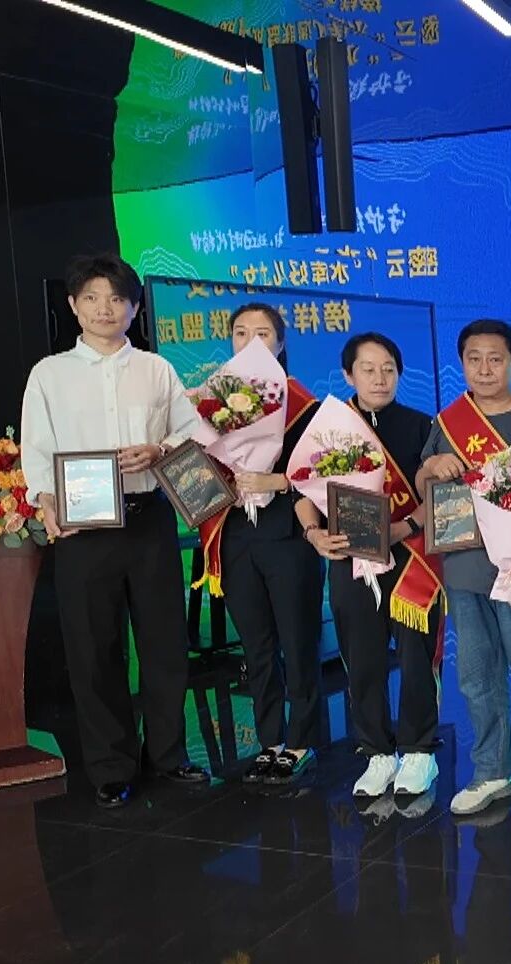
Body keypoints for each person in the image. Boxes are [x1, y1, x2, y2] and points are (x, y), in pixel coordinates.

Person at [19, 252, 208, 807]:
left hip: (149, 517)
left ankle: (168, 755)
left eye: (118, 298)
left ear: (134, 308)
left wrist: (160, 449)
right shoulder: (49, 373)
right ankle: (110, 766)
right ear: (73, 305)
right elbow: (37, 449)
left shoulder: (156, 369)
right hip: (85, 525)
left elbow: (192, 429)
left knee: (164, 642)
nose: (106, 308)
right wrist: (44, 501)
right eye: (93, 298)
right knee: (93, 648)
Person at [417, 319, 511, 819]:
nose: (484, 369)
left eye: (496, 359)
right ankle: (491, 772)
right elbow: (423, 487)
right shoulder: (447, 423)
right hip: (465, 569)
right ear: (462, 363)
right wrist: (430, 469)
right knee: (477, 678)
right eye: (474, 359)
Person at [295, 332, 441, 799]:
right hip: (349, 558)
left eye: (389, 369)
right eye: (368, 369)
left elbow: (439, 497)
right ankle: (377, 751)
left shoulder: (423, 425)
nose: (380, 378)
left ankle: (419, 751)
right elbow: (303, 490)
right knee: (362, 657)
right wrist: (314, 534)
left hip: (411, 556)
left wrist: (404, 527)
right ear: (348, 375)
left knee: (416, 655)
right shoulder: (329, 428)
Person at [196, 303, 325, 787]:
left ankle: (301, 740)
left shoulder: (302, 403)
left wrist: (276, 479)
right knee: (257, 645)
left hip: (288, 535)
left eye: (263, 333)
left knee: (298, 639)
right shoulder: (213, 402)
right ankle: (270, 740)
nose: (251, 340)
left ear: (281, 343)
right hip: (236, 535)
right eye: (241, 332)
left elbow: (324, 472)